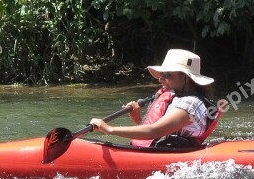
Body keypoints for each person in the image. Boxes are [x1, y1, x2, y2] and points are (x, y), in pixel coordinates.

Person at [90, 49, 219, 147]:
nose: (160, 79)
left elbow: (154, 131)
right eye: (162, 74)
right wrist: (138, 119)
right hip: (166, 150)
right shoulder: (178, 97)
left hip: (172, 155)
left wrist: (109, 129)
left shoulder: (191, 104)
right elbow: (165, 128)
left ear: (185, 77)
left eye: (167, 75)